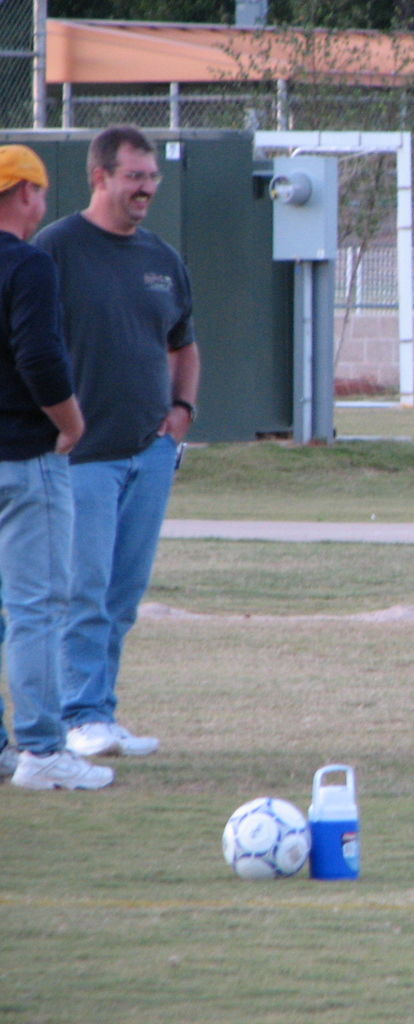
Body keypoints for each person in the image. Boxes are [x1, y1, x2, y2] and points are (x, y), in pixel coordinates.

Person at [33, 125, 200, 759]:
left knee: (123, 593)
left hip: (150, 453)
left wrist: (181, 411)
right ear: (99, 177)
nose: (147, 188)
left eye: (152, 177)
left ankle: (100, 710)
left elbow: (184, 343)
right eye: (135, 176)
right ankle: (77, 716)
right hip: (82, 458)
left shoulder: (161, 258)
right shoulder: (57, 249)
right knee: (85, 591)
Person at [0, 145, 113, 790]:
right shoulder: (28, 263)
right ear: (25, 194)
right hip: (23, 457)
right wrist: (71, 423)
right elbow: (40, 358)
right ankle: (43, 749)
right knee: (37, 607)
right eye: (40, 192)